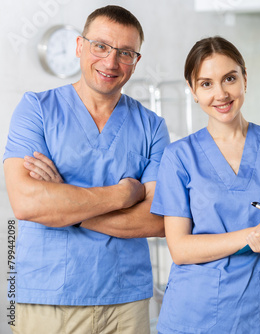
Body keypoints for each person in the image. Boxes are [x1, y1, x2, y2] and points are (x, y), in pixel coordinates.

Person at [3, 5, 170, 334]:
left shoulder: (152, 127)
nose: (111, 62)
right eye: (101, 46)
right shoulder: (35, 109)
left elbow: (159, 219)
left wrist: (65, 206)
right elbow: (27, 203)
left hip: (127, 300)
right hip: (47, 297)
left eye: (125, 52)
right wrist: (124, 194)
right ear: (80, 46)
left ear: (136, 61)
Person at [150, 36, 260, 333]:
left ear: (244, 79)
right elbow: (180, 249)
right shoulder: (178, 157)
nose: (221, 94)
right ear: (192, 91)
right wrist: (253, 234)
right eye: (206, 84)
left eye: (229, 78)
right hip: (194, 313)